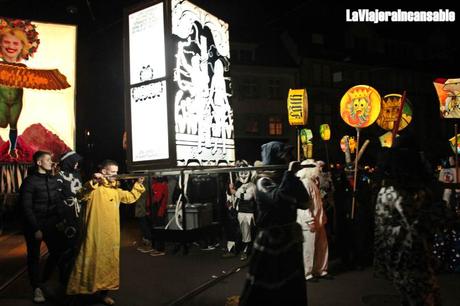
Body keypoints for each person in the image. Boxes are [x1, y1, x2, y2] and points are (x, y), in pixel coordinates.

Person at [239, 141, 310, 306]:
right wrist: (290, 176)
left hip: (290, 239)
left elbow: (304, 202)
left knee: (291, 285)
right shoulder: (262, 181)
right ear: (274, 158)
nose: (289, 158)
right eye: (285, 155)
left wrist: (294, 177)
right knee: (266, 286)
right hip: (271, 239)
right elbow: (279, 200)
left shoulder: (287, 178)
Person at [374, 134, 442, 306]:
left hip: (396, 258)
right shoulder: (408, 193)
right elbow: (427, 222)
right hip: (412, 259)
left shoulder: (386, 190)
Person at [66, 160, 145, 305]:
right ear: (103, 172)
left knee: (109, 263)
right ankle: (80, 295)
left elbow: (129, 197)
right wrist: (92, 182)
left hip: (111, 235)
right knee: (89, 261)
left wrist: (138, 184)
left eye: (117, 172)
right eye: (113, 172)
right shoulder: (93, 188)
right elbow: (80, 195)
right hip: (94, 234)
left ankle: (103, 294)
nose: (116, 175)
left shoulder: (116, 190)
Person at [19, 150, 66, 303]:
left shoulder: (52, 180)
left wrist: (62, 220)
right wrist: (35, 229)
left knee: (57, 252)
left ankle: (43, 281)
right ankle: (37, 289)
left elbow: (58, 202)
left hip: (51, 224)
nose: (51, 162)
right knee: (33, 257)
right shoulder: (29, 182)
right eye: (48, 160)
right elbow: (26, 207)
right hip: (34, 225)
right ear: (39, 163)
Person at [0, 18, 39, 158]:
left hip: (16, 101)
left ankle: (12, 148)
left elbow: (34, 80)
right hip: (1, 100)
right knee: (2, 122)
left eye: (15, 43)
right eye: (6, 42)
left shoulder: (22, 68)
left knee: (13, 124)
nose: (11, 46)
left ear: (22, 46)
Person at [296, 159, 329, 281]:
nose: (319, 170)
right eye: (317, 168)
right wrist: (309, 221)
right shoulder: (304, 183)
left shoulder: (312, 182)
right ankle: (307, 273)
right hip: (310, 222)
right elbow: (303, 205)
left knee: (322, 247)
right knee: (309, 249)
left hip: (319, 220)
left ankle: (321, 270)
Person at [56, 150, 83, 283]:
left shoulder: (77, 174)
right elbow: (58, 197)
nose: (77, 163)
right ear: (68, 162)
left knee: (77, 243)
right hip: (67, 213)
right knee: (67, 244)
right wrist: (62, 216)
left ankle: (74, 274)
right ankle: (64, 275)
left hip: (79, 212)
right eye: (75, 161)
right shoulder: (59, 175)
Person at [228, 160, 256, 261]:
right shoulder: (239, 186)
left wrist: (234, 192)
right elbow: (235, 197)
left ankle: (246, 250)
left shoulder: (252, 186)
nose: (243, 175)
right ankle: (237, 249)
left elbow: (247, 197)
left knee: (246, 232)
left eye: (245, 173)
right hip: (240, 212)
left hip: (248, 213)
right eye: (242, 173)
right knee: (240, 232)